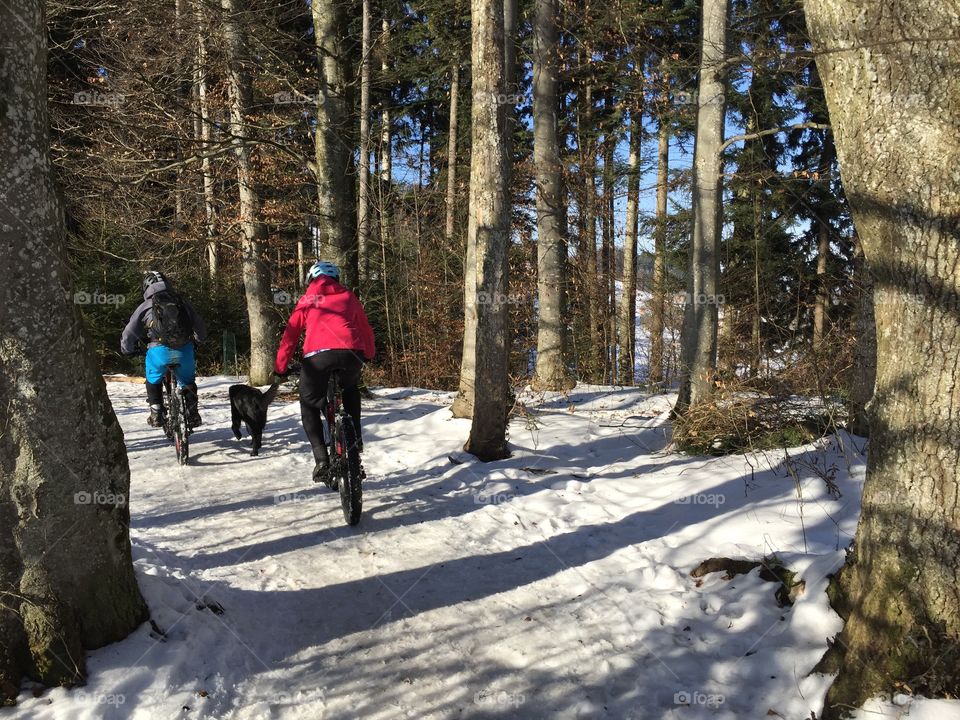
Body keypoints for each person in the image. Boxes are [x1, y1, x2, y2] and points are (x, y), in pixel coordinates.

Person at [275, 261, 375, 483]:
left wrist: (281, 367)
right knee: (350, 388)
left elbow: (290, 335)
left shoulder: (308, 299)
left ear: (310, 279)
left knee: (309, 402)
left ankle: (321, 460)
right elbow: (365, 329)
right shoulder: (348, 296)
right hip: (351, 353)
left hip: (318, 357)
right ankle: (355, 438)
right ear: (336, 279)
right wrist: (367, 354)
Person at [121, 271, 207, 428]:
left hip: (158, 352)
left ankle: (157, 412)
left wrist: (127, 350)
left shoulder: (145, 306)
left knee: (153, 379)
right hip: (184, 352)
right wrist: (198, 341)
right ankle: (192, 413)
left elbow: (129, 333)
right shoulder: (182, 302)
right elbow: (199, 324)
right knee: (188, 381)